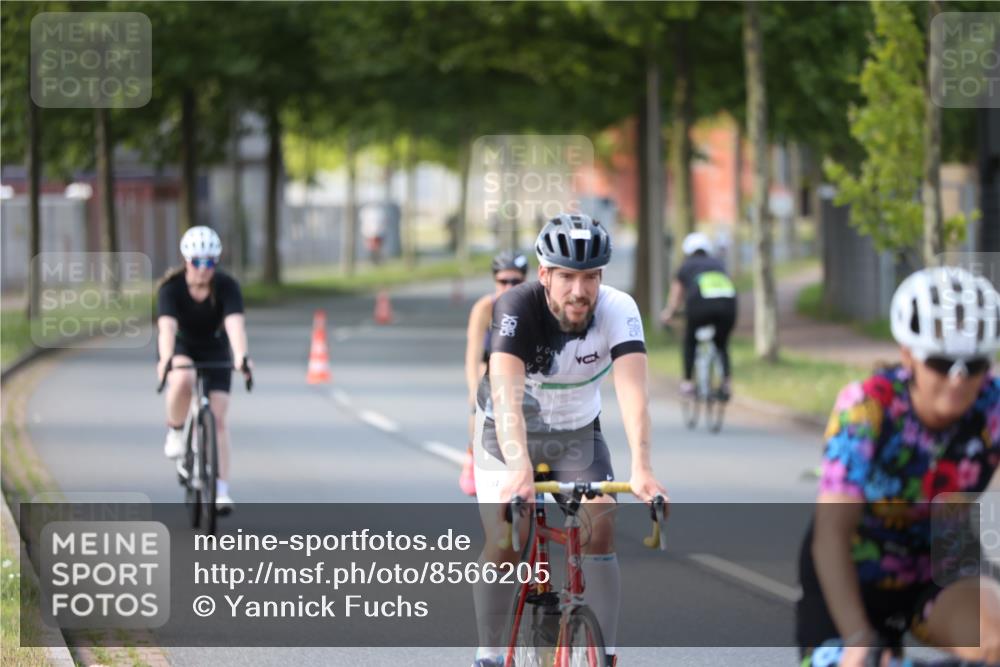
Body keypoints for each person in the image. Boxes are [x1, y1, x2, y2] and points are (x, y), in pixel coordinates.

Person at [470, 213, 669, 667]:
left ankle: (605, 653)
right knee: (507, 535)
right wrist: (519, 470)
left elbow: (634, 395)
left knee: (601, 522)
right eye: (566, 277)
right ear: (543, 274)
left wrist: (643, 469)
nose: (579, 290)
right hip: (509, 430)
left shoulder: (619, 310)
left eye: (590, 277)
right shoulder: (516, 308)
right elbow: (505, 397)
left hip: (578, 431)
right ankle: (489, 651)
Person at [797, 266, 1000, 667]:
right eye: (941, 363)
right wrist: (858, 639)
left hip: (938, 564)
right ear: (908, 355)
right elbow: (831, 533)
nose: (958, 381)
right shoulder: (866, 408)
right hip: (853, 567)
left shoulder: (993, 407)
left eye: (973, 366)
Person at [156, 226, 252, 514]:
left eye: (210, 262)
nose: (204, 268)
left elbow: (235, 324)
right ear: (186, 261)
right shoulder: (171, 289)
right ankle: (175, 430)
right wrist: (166, 358)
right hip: (182, 346)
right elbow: (166, 328)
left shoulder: (226, 286)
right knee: (183, 379)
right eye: (197, 261)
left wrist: (242, 356)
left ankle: (221, 491)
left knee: (219, 420)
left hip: (214, 347)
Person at [461, 250, 530, 496]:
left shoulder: (531, 305)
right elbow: (473, 351)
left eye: (516, 281)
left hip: (522, 366)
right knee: (481, 396)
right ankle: (473, 453)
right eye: (503, 281)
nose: (509, 286)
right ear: (495, 282)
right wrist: (473, 389)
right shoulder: (485, 308)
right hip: (489, 364)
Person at [659, 231, 737, 400]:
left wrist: (669, 313)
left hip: (700, 306)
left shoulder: (686, 266)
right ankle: (726, 383)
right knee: (721, 343)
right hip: (728, 306)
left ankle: (688, 383)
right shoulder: (719, 264)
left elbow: (676, 295)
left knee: (690, 341)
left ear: (687, 251)